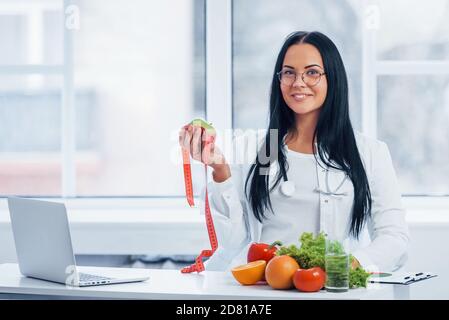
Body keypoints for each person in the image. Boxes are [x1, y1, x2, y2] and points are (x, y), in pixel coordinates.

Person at [179, 31, 409, 273]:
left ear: (333, 79)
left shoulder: (368, 153)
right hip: (264, 294)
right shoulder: (259, 150)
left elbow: (395, 238)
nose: (298, 82)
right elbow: (233, 242)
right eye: (289, 72)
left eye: (311, 72)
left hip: (331, 290)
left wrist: (345, 267)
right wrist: (220, 170)